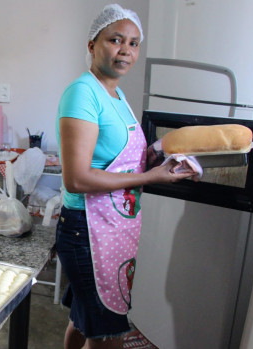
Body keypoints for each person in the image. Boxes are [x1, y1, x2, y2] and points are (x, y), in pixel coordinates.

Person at [55, 4, 198, 349]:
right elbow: (78, 178)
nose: (126, 50)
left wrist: (155, 155)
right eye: (115, 40)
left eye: (133, 43)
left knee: (84, 318)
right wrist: (150, 178)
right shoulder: (83, 93)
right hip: (88, 230)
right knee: (109, 334)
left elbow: (117, 161)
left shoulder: (117, 95)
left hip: (110, 229)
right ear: (92, 45)